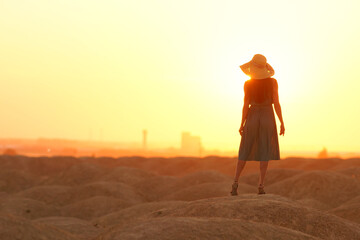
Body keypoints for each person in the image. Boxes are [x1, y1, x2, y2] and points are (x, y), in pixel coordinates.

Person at [230, 54, 285, 196]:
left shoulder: (248, 84)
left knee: (244, 149)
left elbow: (245, 105)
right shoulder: (273, 82)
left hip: (252, 115)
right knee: (265, 151)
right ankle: (261, 185)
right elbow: (277, 103)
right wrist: (281, 122)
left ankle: (235, 182)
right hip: (268, 115)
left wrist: (242, 123)